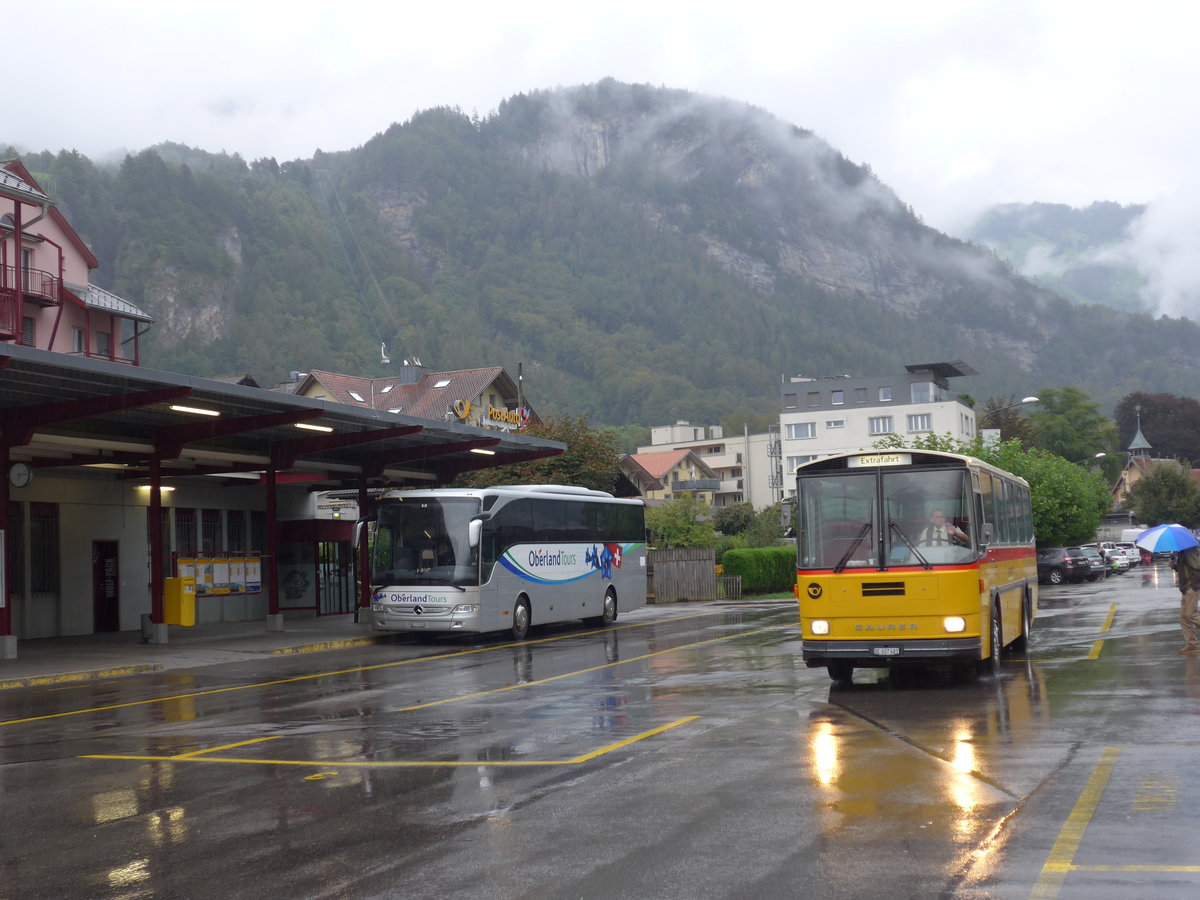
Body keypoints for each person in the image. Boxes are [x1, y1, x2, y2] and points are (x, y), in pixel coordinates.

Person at [1172, 545, 1200, 654]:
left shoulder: (1188, 550)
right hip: (1185, 589)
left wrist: (1194, 586)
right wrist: (1175, 567)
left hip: (1191, 588)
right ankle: (1192, 644)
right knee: (1183, 618)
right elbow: (1185, 569)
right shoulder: (1182, 551)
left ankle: (1192, 643)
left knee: (1190, 615)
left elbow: (1197, 567)